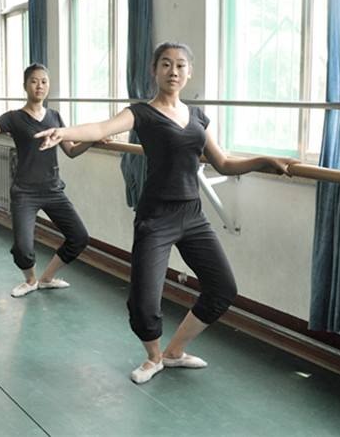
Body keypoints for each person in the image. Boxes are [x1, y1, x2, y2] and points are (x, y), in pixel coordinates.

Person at [35, 41, 298, 384]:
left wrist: (264, 160)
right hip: (156, 216)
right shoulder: (141, 113)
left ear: (189, 72)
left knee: (222, 288)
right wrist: (63, 132)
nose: (173, 71)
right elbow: (101, 129)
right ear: (154, 69)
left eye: (180, 65)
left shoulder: (198, 116)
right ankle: (154, 357)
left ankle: (174, 352)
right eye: (165, 64)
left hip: (192, 215)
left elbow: (223, 163)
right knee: (144, 303)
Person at [0, 63, 95, 298]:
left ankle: (47, 278)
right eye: (34, 81)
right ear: (25, 86)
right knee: (22, 248)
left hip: (53, 190)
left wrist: (93, 139)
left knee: (79, 237)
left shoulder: (54, 116)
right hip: (25, 192)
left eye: (44, 81)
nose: (40, 86)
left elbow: (72, 150)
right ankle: (31, 280)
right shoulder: (14, 118)